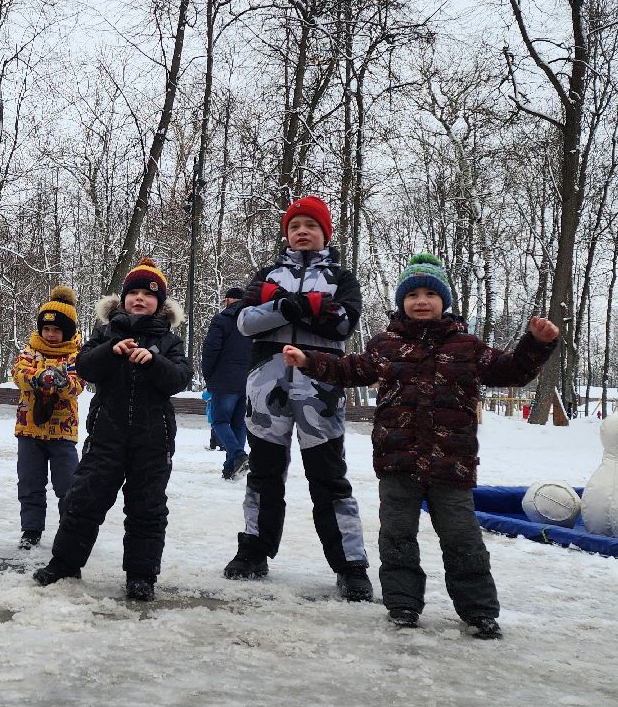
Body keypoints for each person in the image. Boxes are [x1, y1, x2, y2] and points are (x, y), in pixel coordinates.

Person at [284, 253, 560, 638]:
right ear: (402, 302)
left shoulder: (467, 346)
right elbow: (350, 369)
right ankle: (402, 605)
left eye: (431, 293)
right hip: (398, 460)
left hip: (453, 465)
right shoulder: (386, 345)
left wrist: (536, 344)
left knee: (462, 538)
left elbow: (510, 370)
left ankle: (478, 611)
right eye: (412, 294)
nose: (421, 301)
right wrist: (309, 360)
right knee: (397, 536)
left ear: (444, 301)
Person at [223, 196, 373, 601]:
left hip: (320, 385)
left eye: (310, 225)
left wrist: (292, 307)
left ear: (325, 232)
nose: (302, 231)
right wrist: (293, 306)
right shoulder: (267, 273)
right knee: (264, 474)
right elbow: (246, 320)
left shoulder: (343, 277)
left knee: (328, 476)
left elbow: (342, 324)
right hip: (266, 386)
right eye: (295, 226)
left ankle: (350, 564)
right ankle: (254, 550)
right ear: (287, 233)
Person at [34, 257, 191, 601]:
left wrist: (154, 361)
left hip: (154, 440)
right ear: (122, 299)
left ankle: (141, 575)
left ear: (160, 304)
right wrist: (112, 351)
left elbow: (180, 378)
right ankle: (65, 562)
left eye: (148, 295)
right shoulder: (105, 333)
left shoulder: (169, 341)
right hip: (107, 435)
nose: (139, 298)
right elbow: (85, 366)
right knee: (85, 498)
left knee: (147, 507)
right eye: (132, 292)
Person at [10, 285, 84, 551]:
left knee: (67, 484)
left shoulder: (76, 356)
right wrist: (37, 377)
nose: (51, 335)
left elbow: (78, 384)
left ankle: (70, 528)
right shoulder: (30, 351)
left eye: (57, 330)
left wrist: (61, 382)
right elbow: (18, 373)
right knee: (30, 481)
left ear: (67, 332)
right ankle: (31, 528)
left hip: (62, 433)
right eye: (47, 329)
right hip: (29, 430)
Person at [200, 285, 254, 480]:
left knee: (220, 421)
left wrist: (209, 375)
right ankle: (231, 468)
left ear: (229, 300)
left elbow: (210, 350)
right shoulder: (254, 323)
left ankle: (238, 455)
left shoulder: (222, 319)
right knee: (238, 423)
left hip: (224, 380)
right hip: (247, 381)